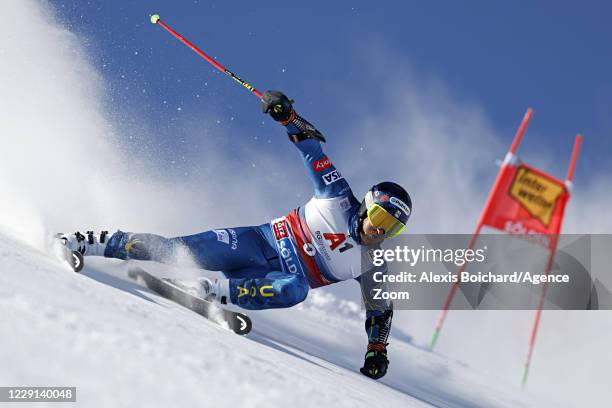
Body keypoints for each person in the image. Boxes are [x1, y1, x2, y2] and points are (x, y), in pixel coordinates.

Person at [60, 91, 412, 380]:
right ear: (367, 206)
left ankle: (208, 291)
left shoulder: (373, 263)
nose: (381, 230)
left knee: (296, 289)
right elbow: (311, 146)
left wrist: (377, 351)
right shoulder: (337, 195)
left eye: (393, 227)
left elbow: (380, 311)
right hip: (253, 243)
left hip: (271, 279)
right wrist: (286, 115)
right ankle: (84, 240)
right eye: (381, 216)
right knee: (175, 250)